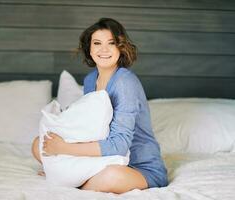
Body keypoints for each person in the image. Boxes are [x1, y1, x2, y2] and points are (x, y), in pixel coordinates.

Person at [32, 18, 168, 194]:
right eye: (97, 43)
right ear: (90, 48)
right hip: (101, 160)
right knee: (39, 144)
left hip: (136, 166)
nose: (104, 49)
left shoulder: (125, 82)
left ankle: (71, 181)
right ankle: (74, 176)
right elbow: (90, 126)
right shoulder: (90, 80)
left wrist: (64, 149)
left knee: (112, 177)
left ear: (121, 47)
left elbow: (119, 145)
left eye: (111, 43)